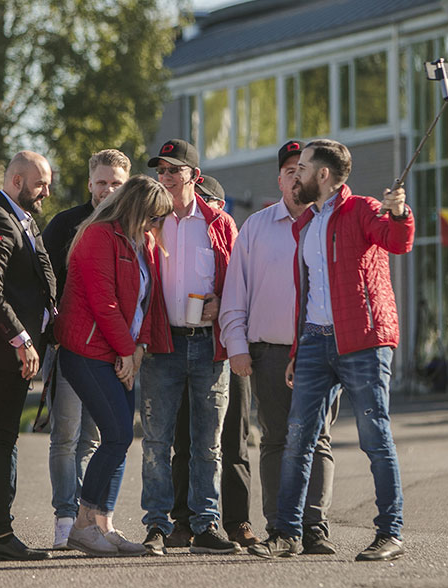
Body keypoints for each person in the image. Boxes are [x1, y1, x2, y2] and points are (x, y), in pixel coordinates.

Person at [248, 139, 413, 562]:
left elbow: (396, 240)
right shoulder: (306, 223)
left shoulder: (362, 209)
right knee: (296, 438)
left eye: (301, 168)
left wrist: (397, 211)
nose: (295, 174)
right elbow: (308, 294)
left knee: (374, 437)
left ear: (323, 175)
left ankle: (389, 534)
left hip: (363, 342)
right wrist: (298, 351)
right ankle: (286, 533)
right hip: (315, 342)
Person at [220, 141, 338, 554]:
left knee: (317, 438)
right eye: (289, 170)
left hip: (320, 349)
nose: (295, 176)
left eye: (301, 169)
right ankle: (279, 527)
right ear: (280, 178)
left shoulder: (328, 224)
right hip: (268, 351)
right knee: (274, 439)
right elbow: (236, 291)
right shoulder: (255, 226)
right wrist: (236, 344)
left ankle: (314, 527)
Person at [55, 175, 172, 557]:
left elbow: (147, 304)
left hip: (120, 354)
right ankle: (83, 524)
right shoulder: (98, 236)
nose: (157, 225)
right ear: (138, 208)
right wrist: (126, 351)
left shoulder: (142, 242)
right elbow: (102, 300)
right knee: (118, 435)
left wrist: (138, 349)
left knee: (118, 440)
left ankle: (102, 525)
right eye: (154, 217)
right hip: (87, 351)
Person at [139, 139, 240, 556]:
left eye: (172, 171)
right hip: (163, 345)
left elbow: (239, 281)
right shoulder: (148, 223)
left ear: (194, 178)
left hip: (207, 347)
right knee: (156, 441)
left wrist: (223, 301)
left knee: (207, 442)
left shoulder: (219, 222)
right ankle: (157, 525)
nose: (164, 178)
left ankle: (206, 523)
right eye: (160, 171)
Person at [0, 151, 57, 561]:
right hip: (6, 352)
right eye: (41, 184)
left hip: (19, 350)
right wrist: (21, 339)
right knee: (2, 438)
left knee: (0, 439)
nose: (47, 191)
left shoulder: (21, 216)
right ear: (18, 181)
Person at [41, 148, 130, 548]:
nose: (107, 190)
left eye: (116, 183)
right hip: (72, 344)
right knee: (66, 433)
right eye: (101, 182)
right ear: (89, 183)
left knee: (96, 438)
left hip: (111, 349)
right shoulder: (66, 224)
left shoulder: (132, 226)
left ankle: (92, 521)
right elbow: (43, 281)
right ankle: (65, 518)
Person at [165, 175, 257, 549]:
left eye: (210, 201)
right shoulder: (176, 231)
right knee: (185, 439)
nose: (202, 206)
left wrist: (225, 298)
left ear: (220, 206)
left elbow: (247, 284)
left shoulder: (229, 236)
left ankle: (237, 522)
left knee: (233, 438)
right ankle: (184, 522)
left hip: (227, 344)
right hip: (185, 344)